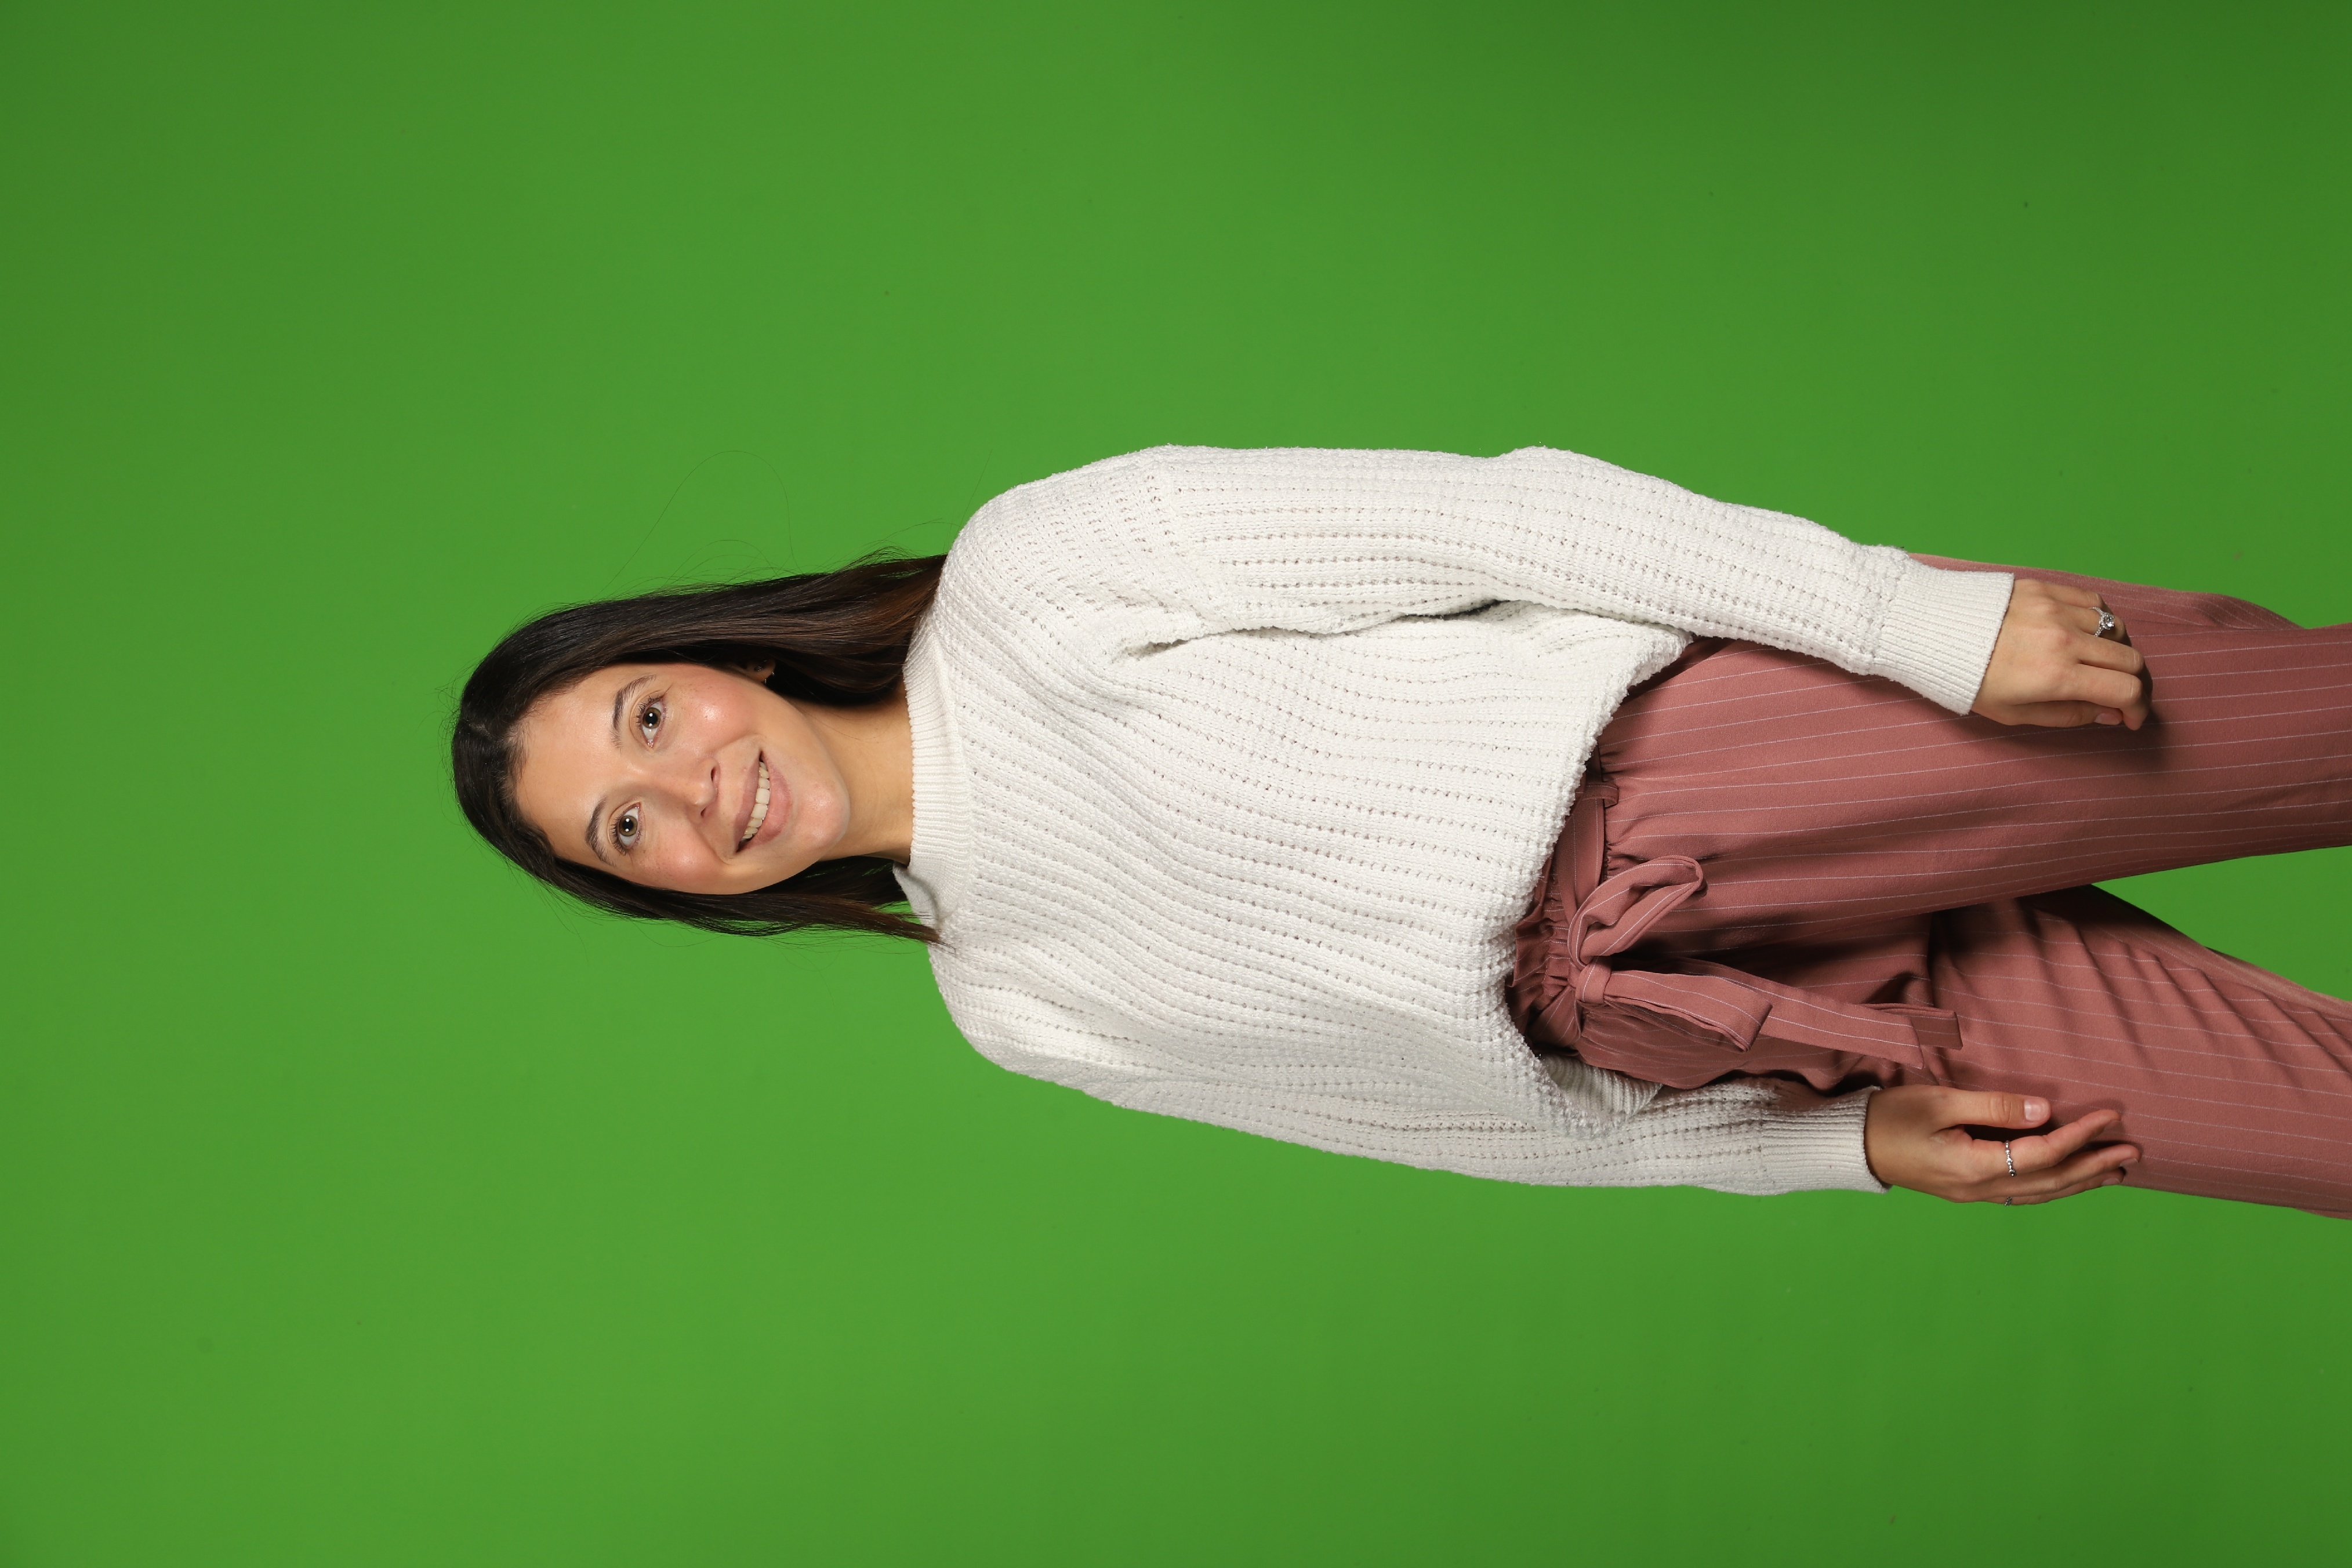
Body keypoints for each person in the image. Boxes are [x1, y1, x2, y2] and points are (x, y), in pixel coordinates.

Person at [452, 445, 2352, 1216]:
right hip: (1714, 1017)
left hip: (1713, 760)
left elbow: (1504, 521)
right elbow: (1466, 1124)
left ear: (713, 657)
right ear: (667, 894)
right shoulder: (1012, 1005)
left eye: (648, 720)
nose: (688, 790)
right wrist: (1833, 1149)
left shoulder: (1039, 571)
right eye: (627, 831)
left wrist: (1906, 624)